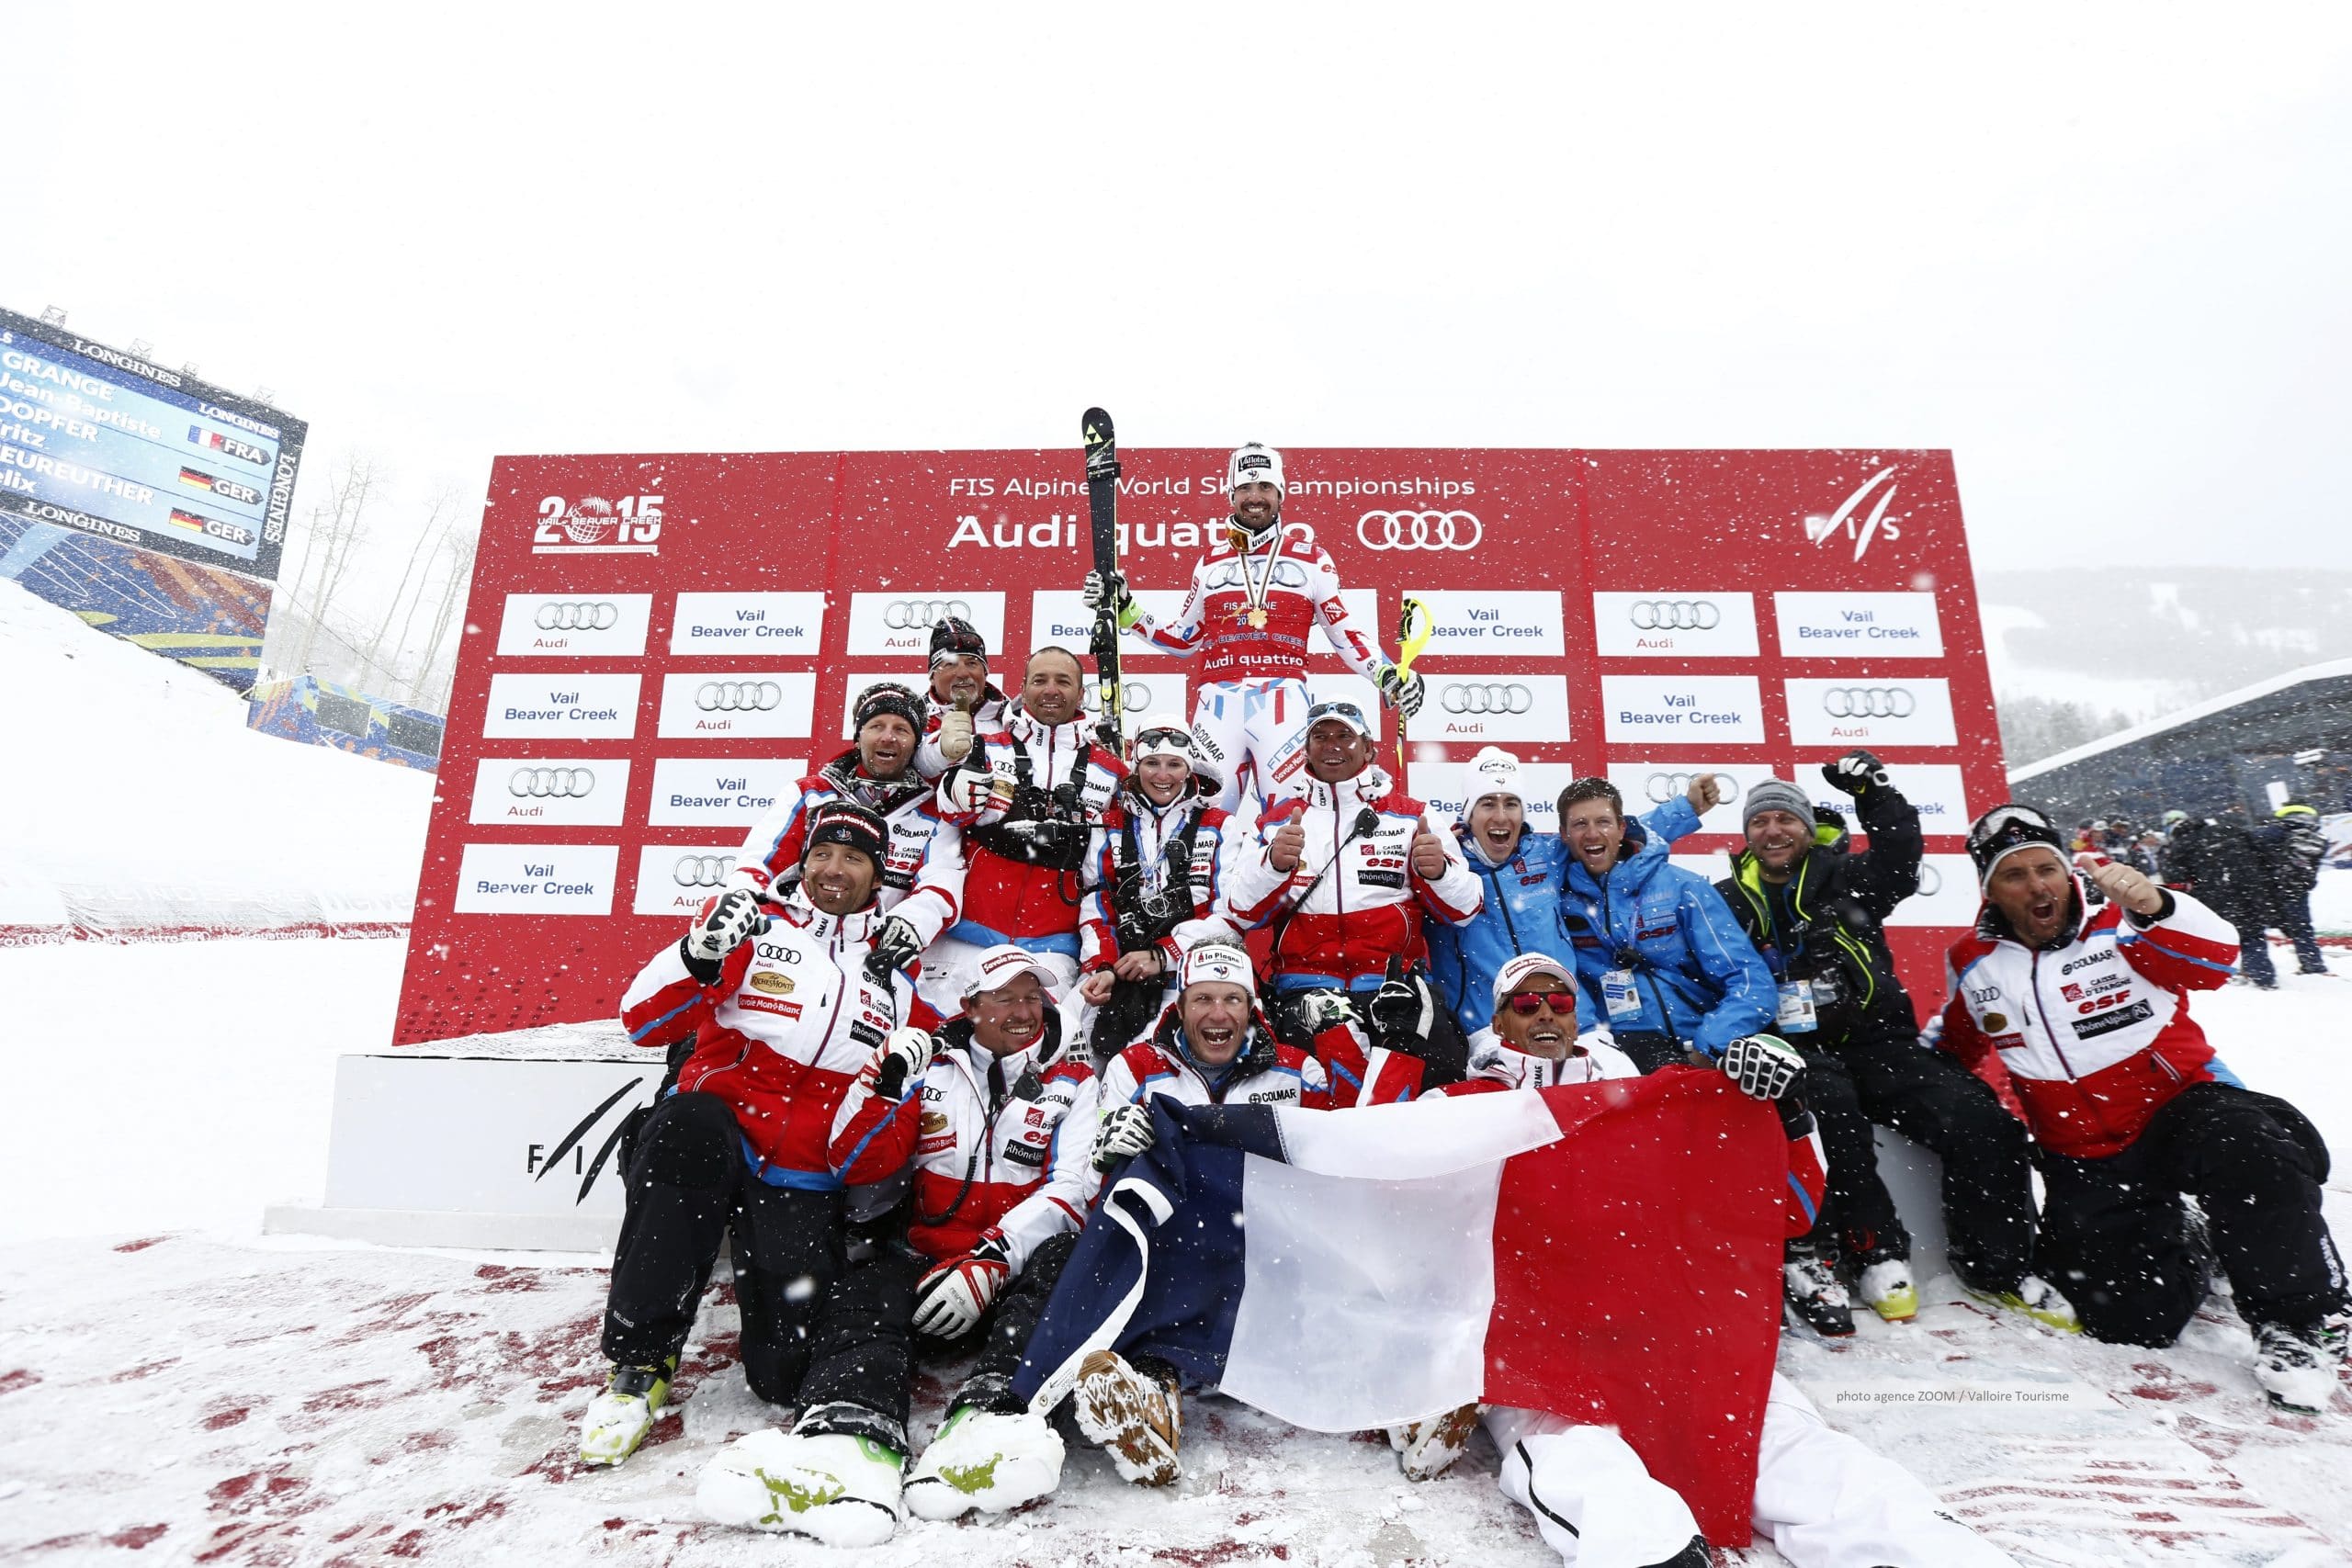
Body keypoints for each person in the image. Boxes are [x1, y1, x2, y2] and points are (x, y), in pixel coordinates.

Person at [1394, 1024, 2019, 1567]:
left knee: (1779, 1441)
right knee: (1575, 1455)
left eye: (1558, 998)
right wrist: (1398, 1053)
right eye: (1525, 1004)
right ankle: (1650, 1555)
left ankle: (1920, 1549)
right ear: (1498, 1020)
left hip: (1672, 1336)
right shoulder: (1468, 1107)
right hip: (1546, 1346)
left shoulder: (1656, 1107)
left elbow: (1792, 1211)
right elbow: (1381, 1182)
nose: (1545, 1013)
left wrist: (1786, 1111)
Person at [588, 801, 931, 1544]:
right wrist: (697, 958)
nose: (834, 870)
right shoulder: (758, 927)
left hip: (801, 1176)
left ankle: (768, 1330)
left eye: (853, 859)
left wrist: (887, 1092)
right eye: (822, 856)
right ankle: (639, 1362)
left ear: (879, 876)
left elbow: (873, 1146)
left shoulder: (897, 984)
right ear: (802, 863)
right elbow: (644, 1020)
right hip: (719, 1135)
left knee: (781, 1375)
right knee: (683, 1125)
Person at [1935, 804, 2349, 1411]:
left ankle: (2297, 1322)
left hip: (2179, 1110)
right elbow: (1952, 1045)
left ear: (2068, 871)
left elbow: (2214, 960)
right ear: (1990, 891)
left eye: (2046, 868)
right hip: (2083, 1153)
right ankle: (2195, 1236)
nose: (2036, 885)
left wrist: (2156, 905)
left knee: (2252, 1146)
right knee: (2129, 1321)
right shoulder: (1973, 959)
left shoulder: (2119, 925)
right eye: (2015, 875)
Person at [1716, 761, 2066, 1337]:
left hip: (1881, 1042)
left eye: (1786, 819)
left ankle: (1996, 1266)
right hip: (1794, 1045)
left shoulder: (1845, 875)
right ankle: (1876, 1253)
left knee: (1981, 1120)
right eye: (1761, 821)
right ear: (1747, 833)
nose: (1773, 831)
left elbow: (1901, 855)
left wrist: (1873, 794)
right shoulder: (1726, 898)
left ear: (1806, 829)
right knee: (1834, 1116)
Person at [1081, 442, 1425, 814]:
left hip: (1283, 702)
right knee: (1202, 815)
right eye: (1245, 488)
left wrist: (1386, 672)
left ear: (1281, 494)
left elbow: (1344, 631)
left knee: (1291, 814)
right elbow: (1185, 638)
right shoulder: (1210, 562)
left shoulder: (1311, 559)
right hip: (1217, 704)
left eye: (1265, 487)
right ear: (1231, 495)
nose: (1255, 497)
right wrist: (1128, 610)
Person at [892, 947, 1102, 1521]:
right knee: (867, 1280)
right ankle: (851, 1420)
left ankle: (991, 1414)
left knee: (1066, 1257)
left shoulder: (1073, 1081)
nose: (1022, 1010)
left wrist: (994, 1259)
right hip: (931, 1271)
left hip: (1009, 1276)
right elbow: (866, 1173)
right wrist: (881, 1090)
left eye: (1032, 997)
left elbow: (1071, 1191)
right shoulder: (929, 1068)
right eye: (1006, 997)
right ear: (970, 1006)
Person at [1221, 698, 1483, 1081]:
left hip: (1395, 987)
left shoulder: (1414, 816)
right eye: (1320, 736)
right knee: (1313, 1096)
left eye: (1345, 735)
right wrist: (1273, 865)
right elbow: (1238, 911)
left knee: (1429, 1091)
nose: (1332, 745)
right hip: (1304, 989)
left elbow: (1466, 909)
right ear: (1305, 750)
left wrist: (1439, 872)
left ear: (1368, 748)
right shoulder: (1275, 822)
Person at [1425, 746, 1712, 1045]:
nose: (1501, 815)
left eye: (1511, 803)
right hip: (1490, 1031)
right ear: (1469, 814)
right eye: (1487, 804)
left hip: (1573, 1023)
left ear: (1522, 812)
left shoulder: (1545, 855)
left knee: (1619, 1080)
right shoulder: (1447, 866)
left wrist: (1686, 808)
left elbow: (1609, 835)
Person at [929, 646, 1125, 1020]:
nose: (1051, 689)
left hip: (1051, 952)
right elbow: (947, 825)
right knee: (939, 1055)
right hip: (966, 941)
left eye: (1063, 681)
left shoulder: (1111, 771)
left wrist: (1100, 958)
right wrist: (954, 797)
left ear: (1081, 694)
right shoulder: (985, 749)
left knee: (1045, 1061)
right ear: (1023, 688)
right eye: (1040, 680)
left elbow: (1103, 882)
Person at [728, 681, 965, 987]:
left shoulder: (935, 810)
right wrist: (744, 906)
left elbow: (941, 880)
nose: (888, 737)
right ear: (858, 737)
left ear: (916, 744)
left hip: (879, 959)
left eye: (901, 730)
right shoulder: (810, 793)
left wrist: (909, 925)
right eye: (876, 726)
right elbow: (760, 861)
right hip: (795, 949)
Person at [1554, 776, 1775, 1075]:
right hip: (1623, 1050)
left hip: (1703, 1036)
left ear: (1622, 828)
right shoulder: (1556, 897)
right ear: (1563, 835)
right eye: (1580, 824)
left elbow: (1750, 980)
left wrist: (1711, 1044)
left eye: (1603, 822)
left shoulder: (1682, 887)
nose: (1592, 834)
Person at [1072, 714, 1241, 1056]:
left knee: (1174, 1053)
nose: (1162, 776)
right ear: (1135, 765)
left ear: (1189, 769)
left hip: (1197, 967)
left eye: (1174, 764)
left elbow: (1231, 916)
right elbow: (1097, 903)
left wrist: (1164, 955)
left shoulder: (1221, 825)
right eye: (1151, 763)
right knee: (1082, 1039)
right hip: (1123, 968)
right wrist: (1103, 966)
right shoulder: (1108, 824)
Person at [2161, 810, 2278, 987]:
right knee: (2253, 931)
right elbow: (2263, 853)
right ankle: (2261, 971)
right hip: (2251, 887)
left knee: (2226, 935)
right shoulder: (2229, 829)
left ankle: (2246, 973)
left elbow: (2175, 880)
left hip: (2215, 894)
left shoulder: (2181, 846)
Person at [914, 615, 1010, 778]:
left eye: (972, 663)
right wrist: (939, 751)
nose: (963, 673)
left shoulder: (1013, 717)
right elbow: (900, 771)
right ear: (932, 676)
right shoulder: (912, 719)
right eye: (950, 664)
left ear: (985, 671)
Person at [2250, 801, 2330, 977]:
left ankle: (2259, 970)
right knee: (2302, 927)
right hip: (2298, 887)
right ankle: (2313, 964)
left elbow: (2251, 843)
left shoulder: (2273, 832)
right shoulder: (2314, 833)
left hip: (2271, 887)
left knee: (2254, 928)